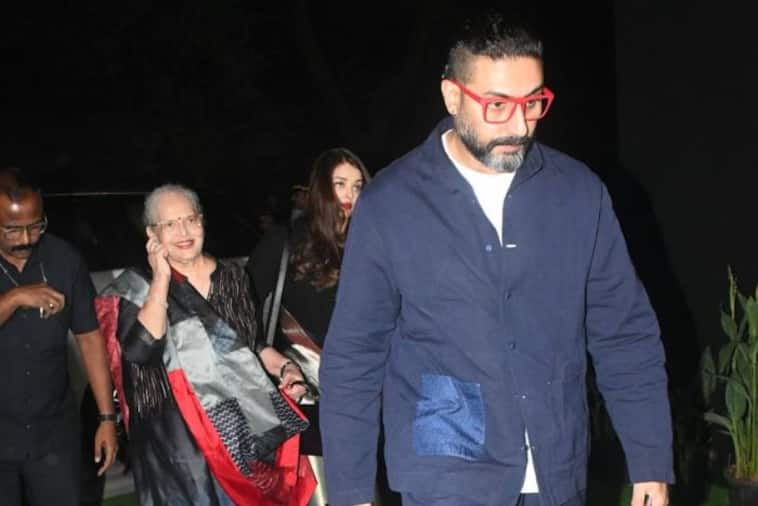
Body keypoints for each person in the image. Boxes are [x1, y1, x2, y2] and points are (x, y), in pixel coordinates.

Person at [319, 14, 674, 506]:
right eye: (498, 105)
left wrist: (650, 461)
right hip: (446, 478)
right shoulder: (389, 205)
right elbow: (353, 358)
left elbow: (625, 334)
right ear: (452, 96)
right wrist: (352, 491)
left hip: (557, 472)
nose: (519, 124)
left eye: (533, 102)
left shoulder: (578, 194)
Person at [95, 184, 316, 506]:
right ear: (152, 233)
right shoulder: (137, 288)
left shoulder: (232, 278)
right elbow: (141, 351)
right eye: (170, 224)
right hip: (175, 446)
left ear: (202, 221)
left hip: (235, 431)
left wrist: (286, 368)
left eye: (190, 220)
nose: (183, 232)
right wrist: (161, 279)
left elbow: (251, 346)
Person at [247, 148, 370, 506]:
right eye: (340, 184)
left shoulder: (372, 242)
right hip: (307, 391)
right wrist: (272, 358)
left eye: (358, 186)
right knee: (320, 494)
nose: (349, 195)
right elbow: (242, 311)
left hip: (366, 394)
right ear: (320, 188)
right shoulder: (286, 241)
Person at [0, 168, 118, 506]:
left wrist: (106, 418)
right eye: (12, 230)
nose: (26, 238)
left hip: (53, 431)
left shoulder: (63, 259)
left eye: (35, 226)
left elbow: (89, 337)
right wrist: (14, 298)